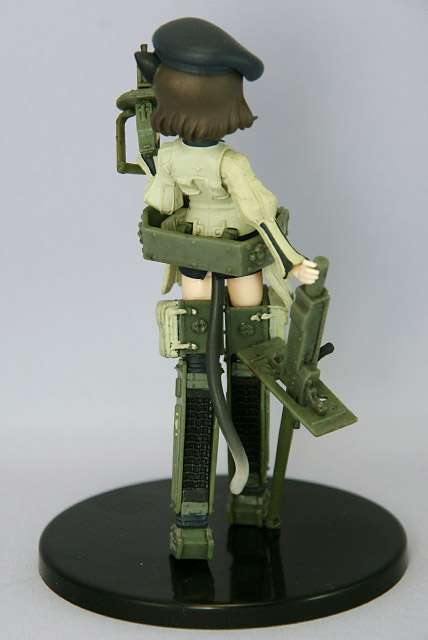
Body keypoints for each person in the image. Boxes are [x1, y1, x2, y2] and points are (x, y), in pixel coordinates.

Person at [135, 17, 319, 559]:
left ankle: (193, 522)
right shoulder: (232, 162)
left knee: (197, 370)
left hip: (195, 257)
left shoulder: (172, 157)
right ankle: (250, 497)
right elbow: (260, 215)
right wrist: (292, 263)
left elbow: (162, 204)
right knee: (250, 359)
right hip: (239, 260)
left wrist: (153, 163)